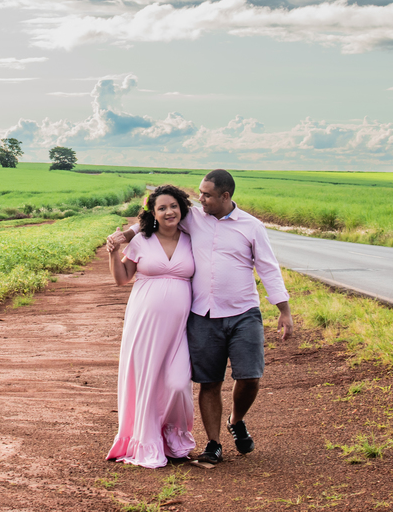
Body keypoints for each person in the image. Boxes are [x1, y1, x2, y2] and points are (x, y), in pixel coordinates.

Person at [107, 169, 293, 468]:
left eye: (206, 194)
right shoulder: (194, 217)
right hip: (203, 315)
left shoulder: (252, 226)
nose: (199, 198)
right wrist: (122, 236)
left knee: (250, 376)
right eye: (199, 193)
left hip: (244, 311)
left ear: (225, 196)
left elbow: (269, 268)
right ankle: (214, 444)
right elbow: (152, 221)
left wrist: (283, 309)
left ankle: (236, 419)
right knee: (209, 381)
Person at [104, 185, 200, 468]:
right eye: (161, 208)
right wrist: (114, 251)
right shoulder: (142, 241)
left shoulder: (193, 238)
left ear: (181, 207)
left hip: (180, 328)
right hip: (144, 324)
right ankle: (146, 441)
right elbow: (122, 279)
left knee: (178, 383)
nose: (169, 211)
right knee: (145, 381)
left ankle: (173, 438)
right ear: (153, 214)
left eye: (173, 206)